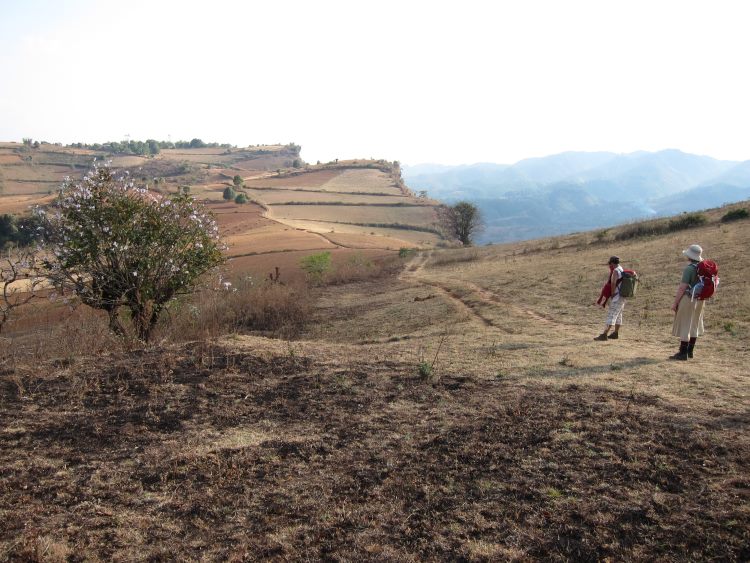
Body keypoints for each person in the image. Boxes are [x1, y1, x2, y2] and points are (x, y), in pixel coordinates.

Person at [670, 244, 706, 360]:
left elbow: (682, 287)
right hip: (700, 299)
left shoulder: (690, 269)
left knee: (686, 324)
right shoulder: (703, 268)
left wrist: (675, 303)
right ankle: (690, 351)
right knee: (694, 324)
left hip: (688, 298)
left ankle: (683, 352)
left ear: (689, 256)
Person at [594, 256, 625, 341]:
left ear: (612, 263)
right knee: (618, 315)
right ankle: (615, 333)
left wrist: (612, 294)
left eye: (610, 263)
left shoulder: (615, 271)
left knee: (611, 315)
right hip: (622, 296)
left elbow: (613, 283)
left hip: (617, 296)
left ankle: (604, 335)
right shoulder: (621, 268)